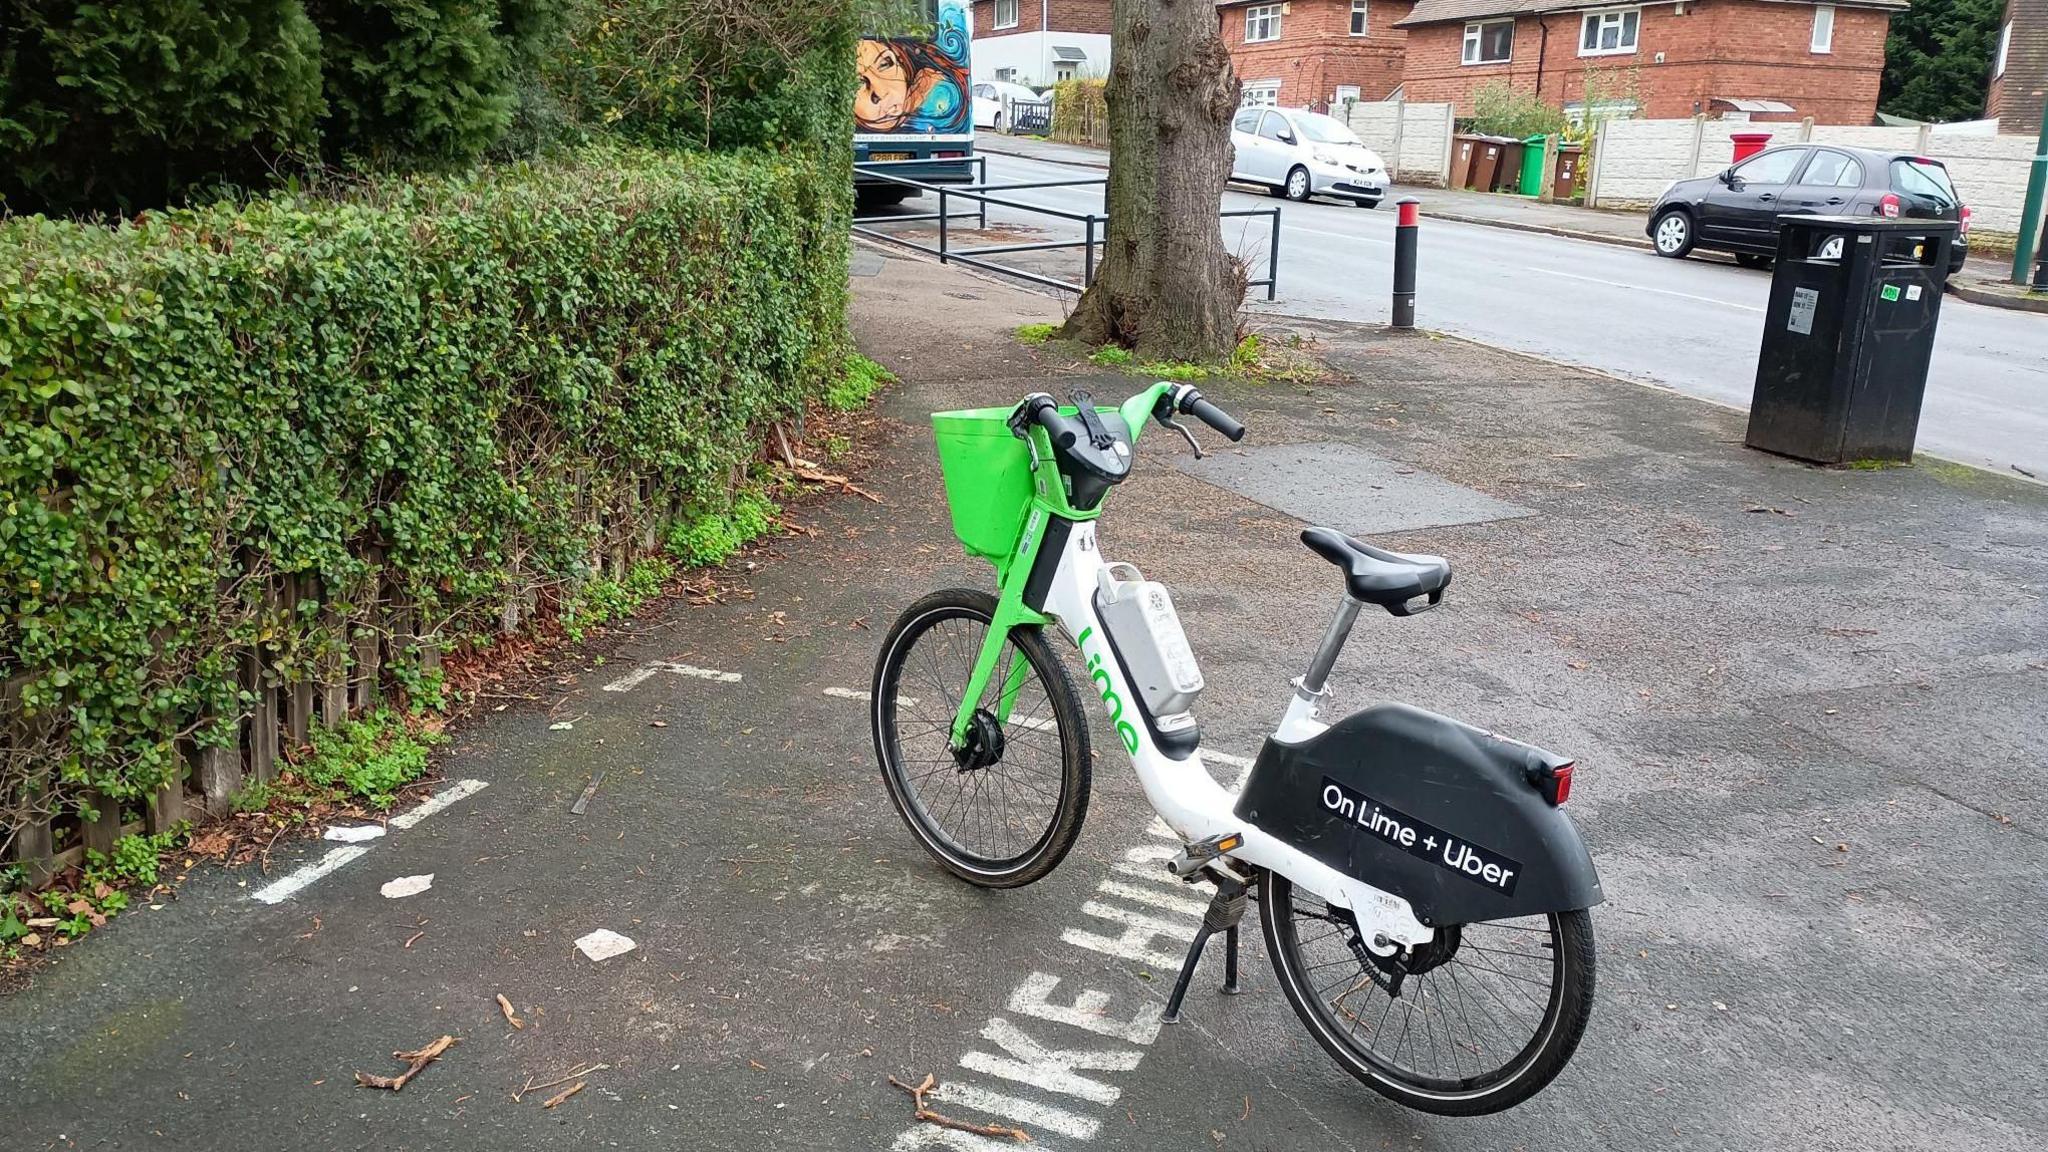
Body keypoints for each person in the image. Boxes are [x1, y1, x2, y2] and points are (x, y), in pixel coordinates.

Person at [854, 3, 969, 134]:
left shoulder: (942, 91)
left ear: (902, 63)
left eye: (884, 65)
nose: (880, 94)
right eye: (858, 82)